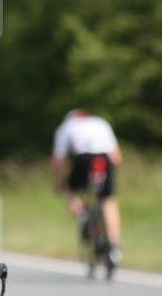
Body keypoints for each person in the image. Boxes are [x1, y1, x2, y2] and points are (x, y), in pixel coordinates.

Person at [52, 109, 123, 268]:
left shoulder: (67, 126)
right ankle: (113, 247)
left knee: (69, 191)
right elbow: (117, 157)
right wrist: (109, 178)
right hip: (104, 159)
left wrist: (57, 183)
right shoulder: (101, 122)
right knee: (108, 200)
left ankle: (82, 215)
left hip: (83, 158)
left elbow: (58, 159)